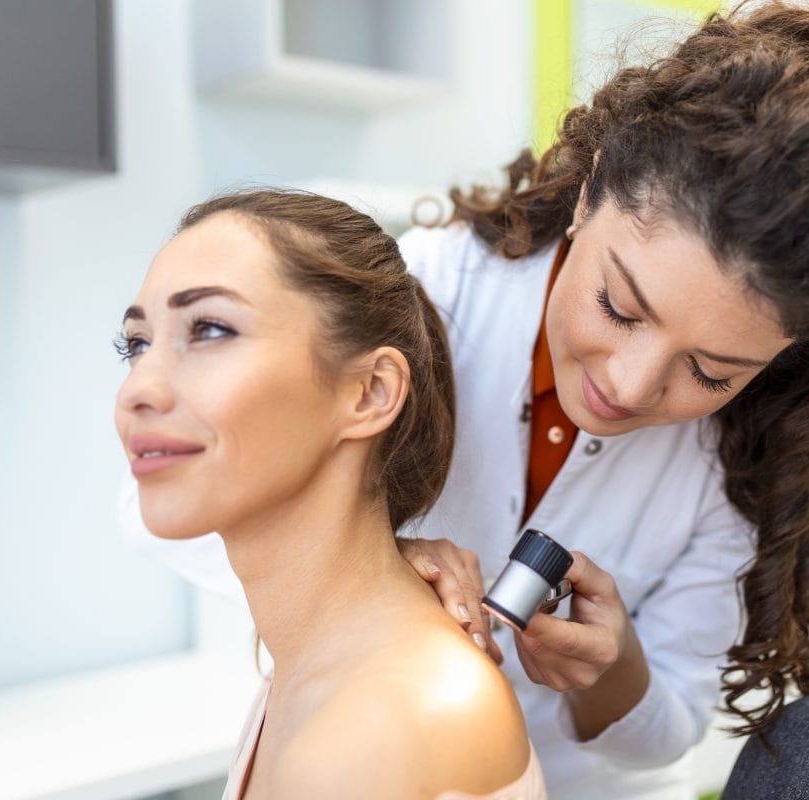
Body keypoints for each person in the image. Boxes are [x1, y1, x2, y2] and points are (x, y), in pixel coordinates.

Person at [120, 3, 809, 797]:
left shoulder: (735, 456)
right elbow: (172, 492)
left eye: (710, 372)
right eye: (619, 307)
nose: (631, 386)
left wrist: (614, 670)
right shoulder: (431, 302)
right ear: (592, 189)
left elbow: (667, 732)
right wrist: (369, 555)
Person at [113, 191, 545, 799]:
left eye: (209, 329)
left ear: (369, 392)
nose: (138, 389)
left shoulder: (378, 732)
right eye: (136, 345)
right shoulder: (308, 666)